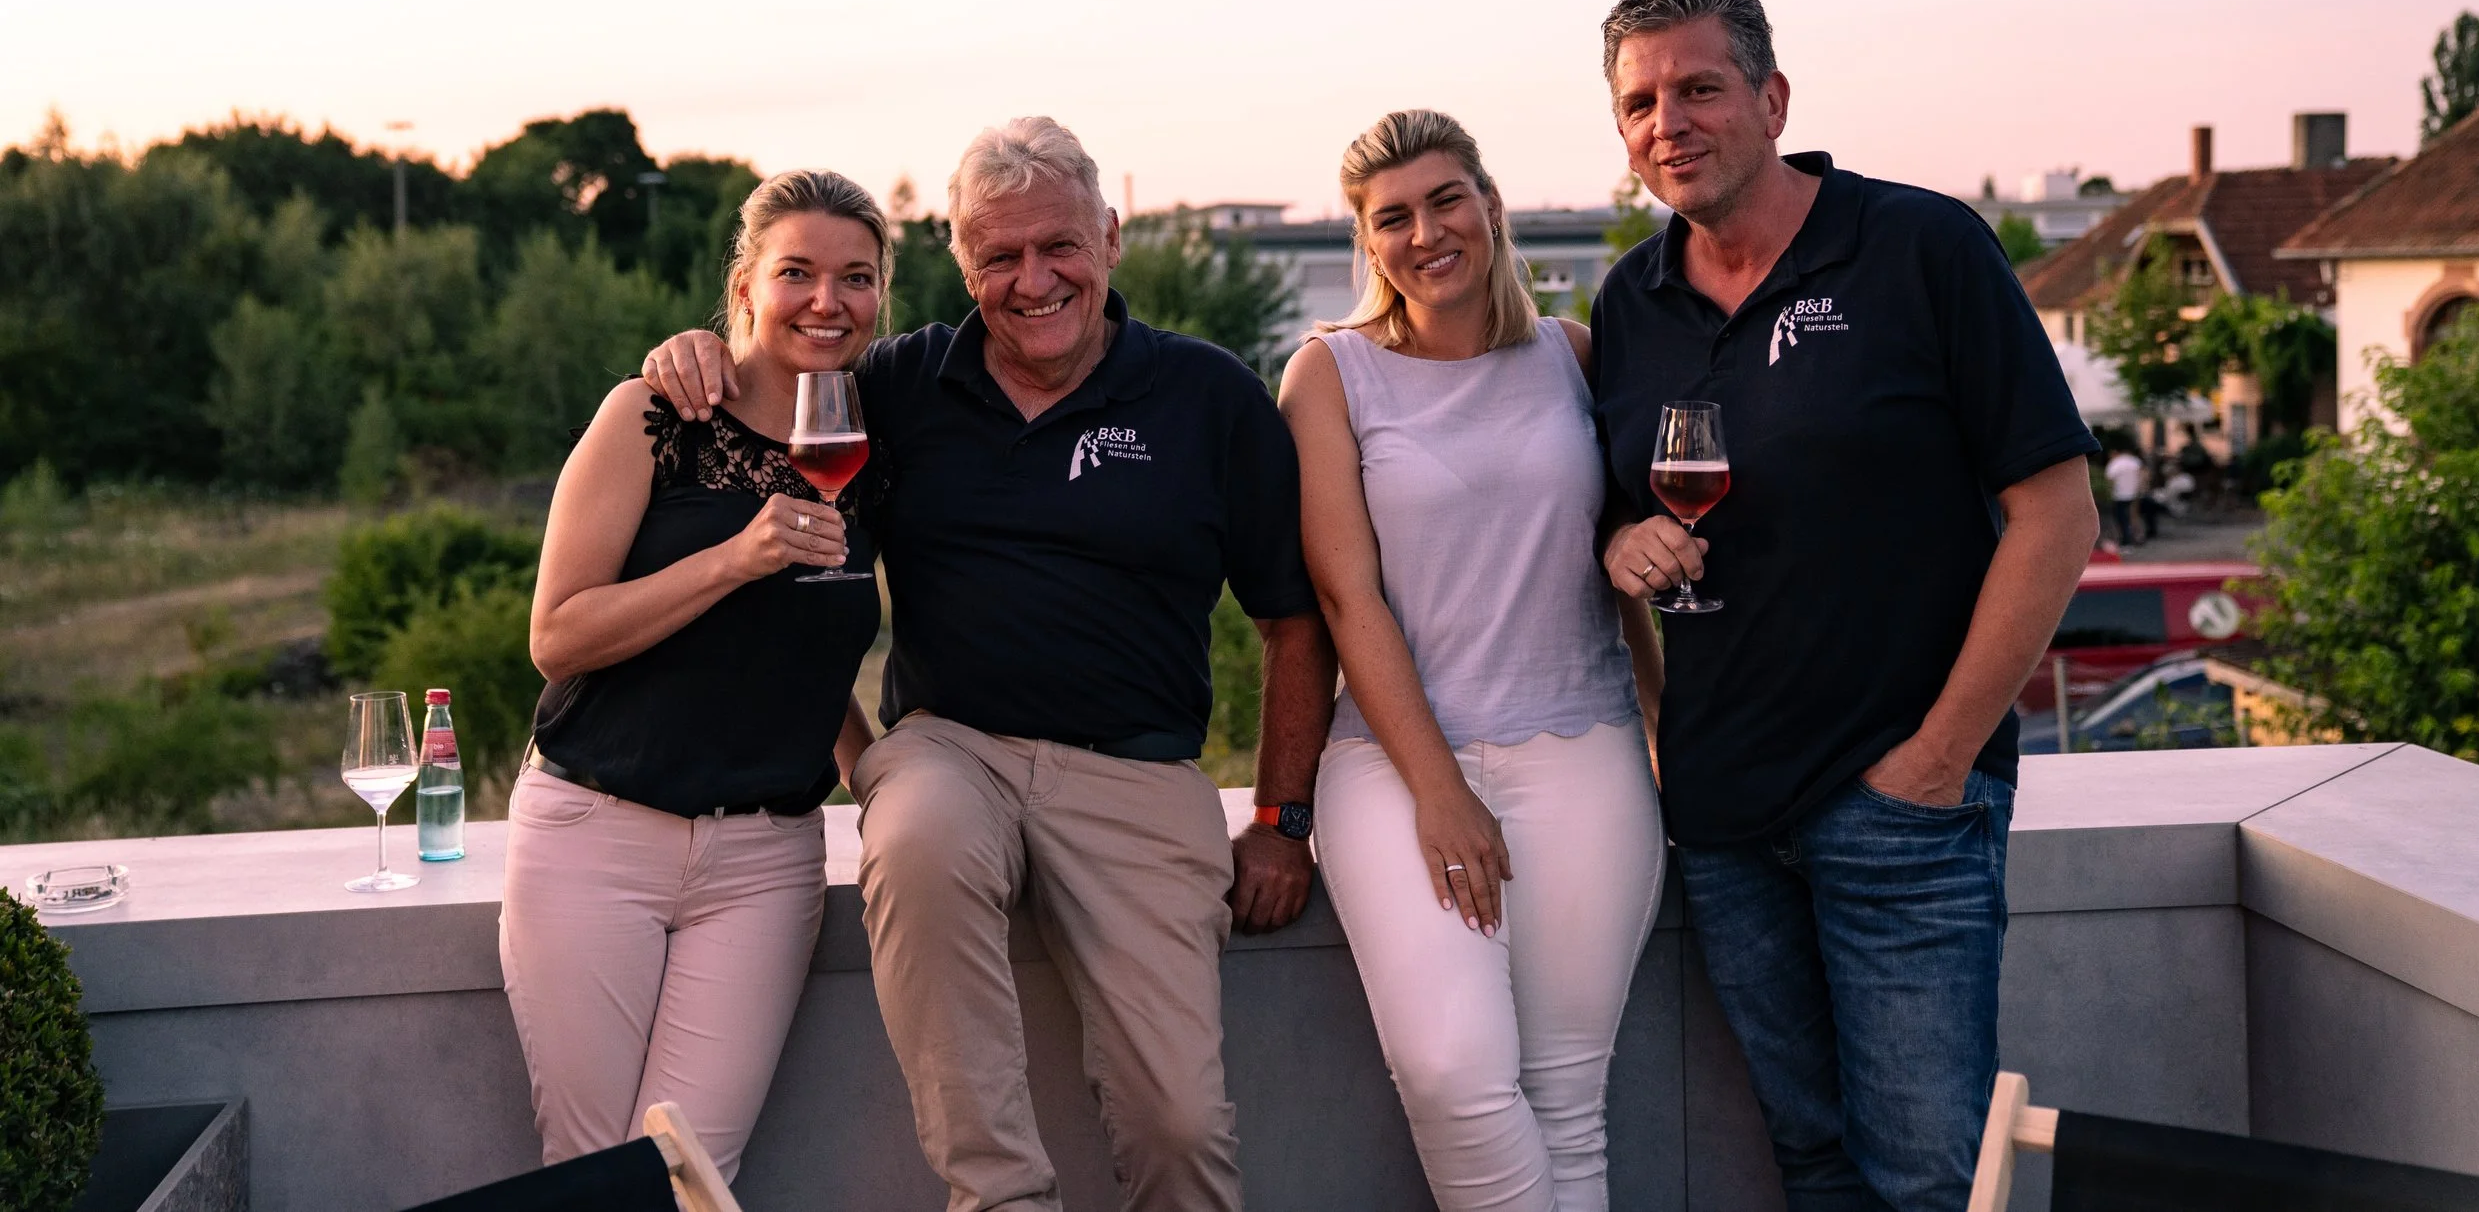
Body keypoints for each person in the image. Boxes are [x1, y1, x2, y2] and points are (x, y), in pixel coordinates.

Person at [641, 117, 1336, 1212]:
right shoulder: (897, 384)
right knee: (911, 839)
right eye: (998, 255)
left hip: (1140, 773)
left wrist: (1283, 817)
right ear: (961, 260)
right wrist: (691, 351)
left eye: (1058, 245)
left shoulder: (1207, 396)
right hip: (949, 747)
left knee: (1181, 1127)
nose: (1033, 279)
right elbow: (772, 410)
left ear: (1109, 236)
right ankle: (1000, 1200)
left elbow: (1295, 620)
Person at [1587, 0, 2101, 1212]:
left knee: (1930, 1177)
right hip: (1720, 815)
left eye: (1700, 87)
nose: (1670, 121)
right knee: (1811, 1163)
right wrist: (1621, 546)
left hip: (1900, 804)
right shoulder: (1627, 301)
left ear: (1770, 97)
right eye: (1639, 101)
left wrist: (1938, 756)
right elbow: (1617, 511)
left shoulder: (1919, 247)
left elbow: (2056, 512)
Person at [1278, 110, 1665, 1212]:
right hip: (1394, 766)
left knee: (1566, 1098)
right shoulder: (1329, 373)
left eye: (1446, 199)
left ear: (1490, 207)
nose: (1425, 231)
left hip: (1584, 751)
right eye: (1390, 217)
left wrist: (1662, 728)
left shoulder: (1572, 354)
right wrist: (1441, 791)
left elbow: (1615, 560)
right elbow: (1349, 598)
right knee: (1452, 1071)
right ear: (1368, 241)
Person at [503, 170, 886, 1182]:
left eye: (857, 276)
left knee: (691, 1172)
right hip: (595, 832)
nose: (825, 299)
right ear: (747, 283)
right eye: (795, 270)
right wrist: (734, 557)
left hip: (763, 863)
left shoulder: (867, 447)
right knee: (587, 1167)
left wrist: (881, 777)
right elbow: (557, 635)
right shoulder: (652, 413)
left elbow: (807, 646)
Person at [2105, 444, 2145, 546]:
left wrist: (2109, 492)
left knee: (2121, 519)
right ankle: (2138, 537)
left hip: (2119, 495)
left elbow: (2110, 479)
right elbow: (2143, 475)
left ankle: (2125, 539)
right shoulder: (2135, 461)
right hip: (2134, 494)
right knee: (2134, 517)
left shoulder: (2115, 463)